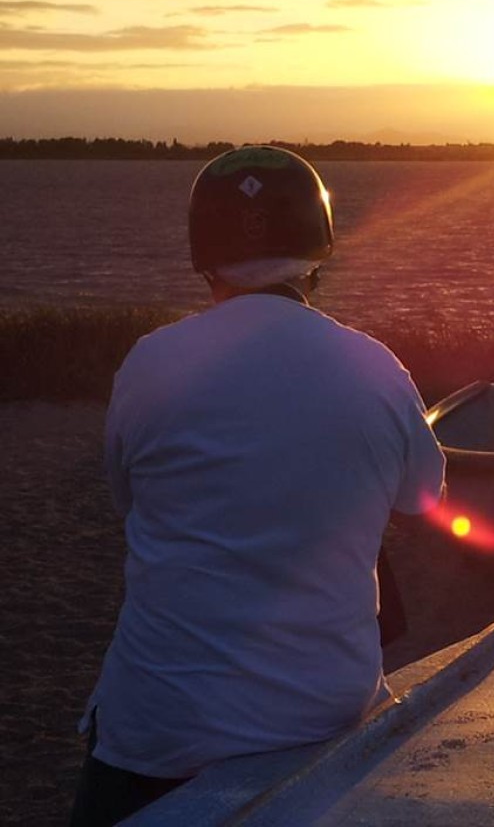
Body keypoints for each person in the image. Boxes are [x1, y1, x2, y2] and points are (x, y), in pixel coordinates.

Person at [70, 145, 446, 825]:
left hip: (159, 731)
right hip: (321, 724)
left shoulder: (150, 362)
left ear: (204, 257)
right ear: (319, 249)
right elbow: (423, 500)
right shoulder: (375, 367)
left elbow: (130, 501)